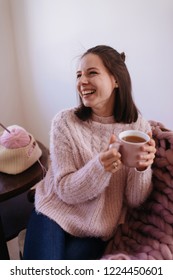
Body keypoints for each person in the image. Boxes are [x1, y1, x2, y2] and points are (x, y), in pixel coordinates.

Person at [23, 45, 156, 260]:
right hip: (54, 211)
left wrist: (142, 169)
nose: (81, 82)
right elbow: (65, 190)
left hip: (98, 225)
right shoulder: (64, 122)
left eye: (91, 73)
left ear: (116, 80)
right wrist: (100, 167)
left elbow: (134, 200)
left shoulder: (139, 128)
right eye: (78, 75)